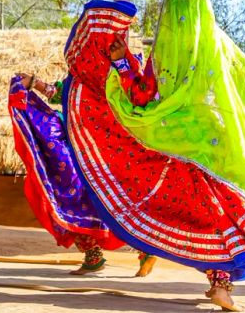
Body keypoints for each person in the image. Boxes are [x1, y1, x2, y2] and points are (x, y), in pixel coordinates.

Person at [62, 0, 245, 311]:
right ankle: (222, 285)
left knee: (213, 219)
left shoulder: (164, 60)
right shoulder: (224, 52)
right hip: (235, 151)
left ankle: (217, 282)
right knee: (235, 216)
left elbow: (141, 97)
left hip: (186, 149)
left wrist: (121, 63)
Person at [9, 70, 158, 277]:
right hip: (102, 153)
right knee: (106, 204)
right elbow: (60, 94)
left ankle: (109, 254)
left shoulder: (96, 76)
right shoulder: (104, 75)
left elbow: (61, 95)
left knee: (71, 200)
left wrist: (35, 84)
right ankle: (137, 250)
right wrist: (34, 83)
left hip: (88, 152)